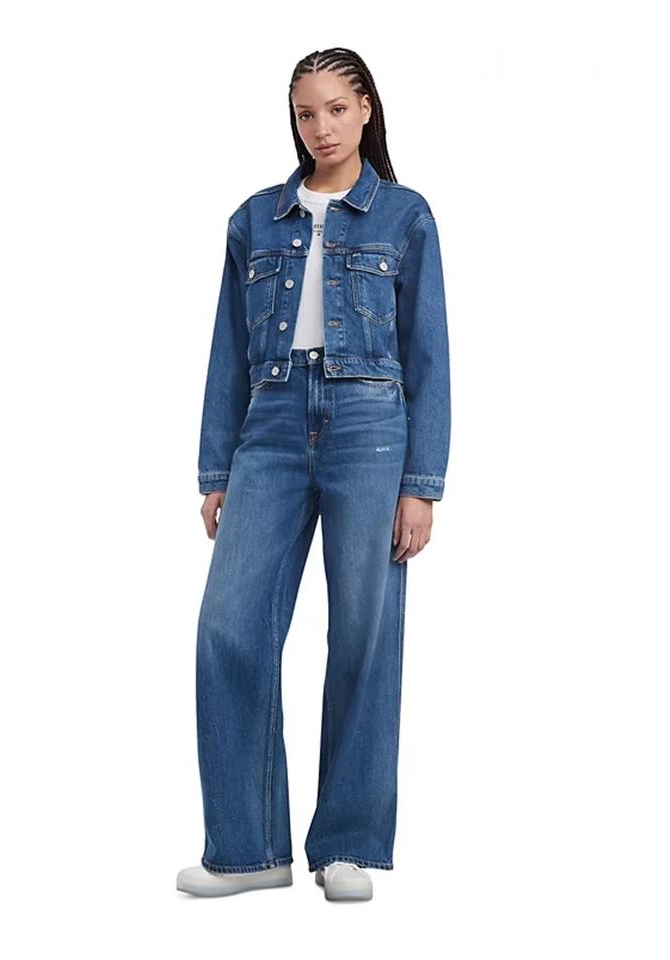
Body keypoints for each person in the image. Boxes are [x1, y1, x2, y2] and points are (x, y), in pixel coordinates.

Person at [176, 47, 451, 902]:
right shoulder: (255, 219)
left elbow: (429, 355)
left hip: (371, 425)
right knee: (229, 625)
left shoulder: (404, 215)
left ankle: (347, 844)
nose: (321, 128)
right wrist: (218, 467)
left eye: (336, 108)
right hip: (270, 427)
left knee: (365, 630)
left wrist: (422, 484)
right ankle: (248, 847)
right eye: (306, 113)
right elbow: (227, 351)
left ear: (366, 108)